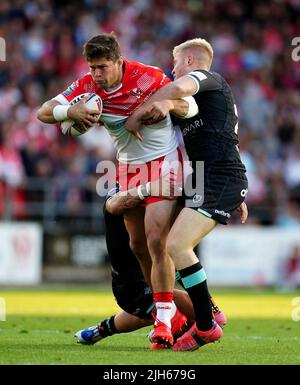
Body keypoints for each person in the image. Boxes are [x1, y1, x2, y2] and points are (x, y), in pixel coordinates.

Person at [37, 33, 199, 347]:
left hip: (165, 163)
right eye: (92, 67)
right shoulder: (87, 86)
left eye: (102, 67)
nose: (96, 73)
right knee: (138, 246)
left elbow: (190, 105)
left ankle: (164, 321)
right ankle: (179, 312)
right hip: (128, 171)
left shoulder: (148, 76)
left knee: (156, 239)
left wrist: (166, 104)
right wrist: (69, 112)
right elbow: (44, 112)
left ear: (118, 62)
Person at [125, 38, 249, 351]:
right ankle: (207, 316)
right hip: (207, 179)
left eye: (176, 63)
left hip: (219, 179)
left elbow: (178, 91)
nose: (173, 69)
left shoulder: (211, 79)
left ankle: (206, 326)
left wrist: (139, 114)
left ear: (191, 62)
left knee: (177, 245)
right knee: (168, 246)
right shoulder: (201, 102)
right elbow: (205, 128)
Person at [75, 184, 228, 348]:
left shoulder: (162, 192)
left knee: (151, 304)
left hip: (142, 272)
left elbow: (174, 263)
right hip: (134, 274)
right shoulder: (150, 190)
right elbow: (113, 205)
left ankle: (104, 329)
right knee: (162, 307)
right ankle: (183, 323)